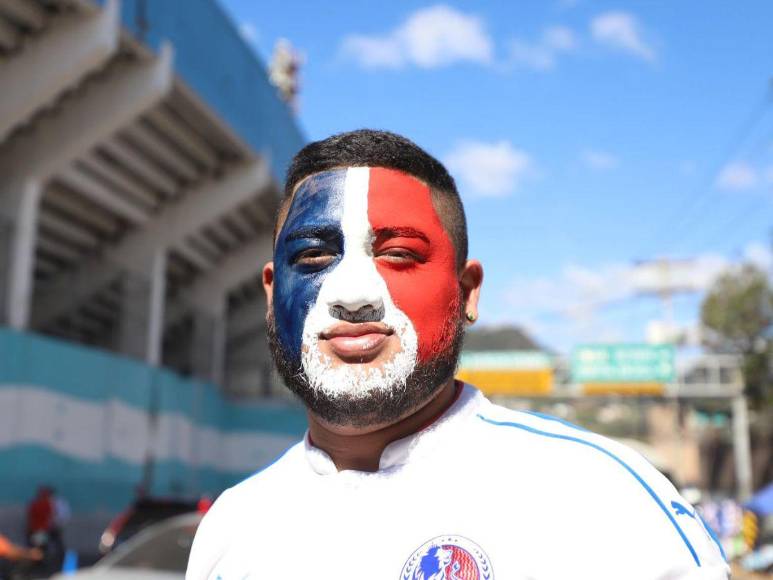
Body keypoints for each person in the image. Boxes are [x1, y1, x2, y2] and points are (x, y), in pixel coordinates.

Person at [186, 129, 728, 579]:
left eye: (398, 255)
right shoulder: (232, 527)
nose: (353, 294)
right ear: (270, 292)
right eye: (314, 255)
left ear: (467, 292)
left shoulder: (601, 499)